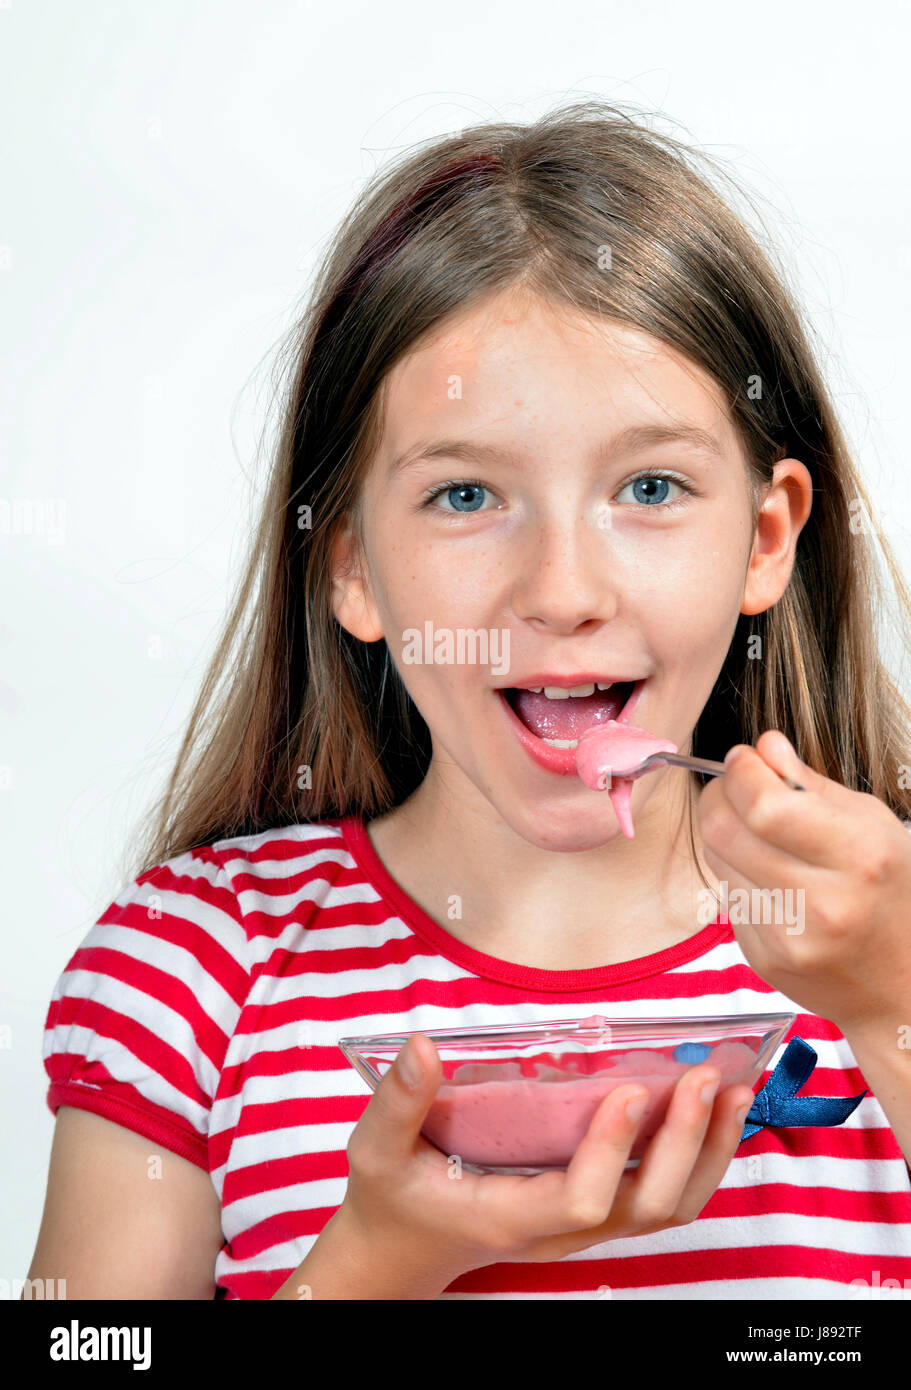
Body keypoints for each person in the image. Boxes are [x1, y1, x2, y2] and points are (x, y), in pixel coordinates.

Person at [25, 101, 911, 1301]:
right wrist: (374, 1267)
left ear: (763, 541)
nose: (560, 591)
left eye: (648, 486)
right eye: (464, 497)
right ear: (349, 565)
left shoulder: (888, 943)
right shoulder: (195, 969)